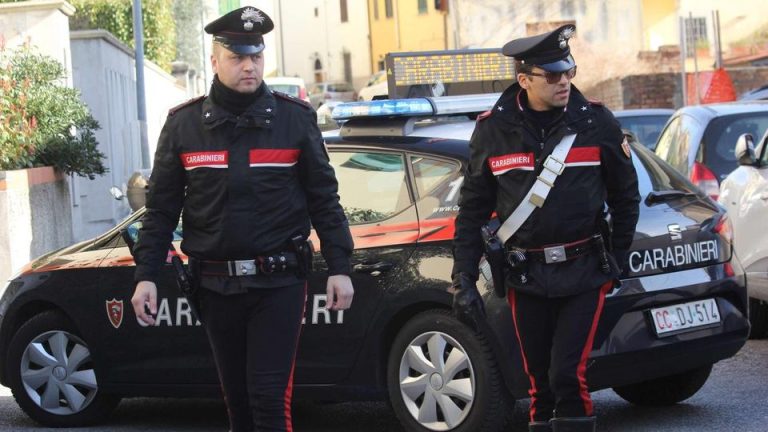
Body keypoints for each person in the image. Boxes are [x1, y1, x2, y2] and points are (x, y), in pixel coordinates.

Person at [130, 6, 354, 432]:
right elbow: (161, 210)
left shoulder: (295, 120)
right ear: (215, 62)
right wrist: (146, 276)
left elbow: (325, 199)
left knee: (269, 401)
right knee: (237, 405)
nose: (249, 65)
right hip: (214, 287)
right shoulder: (184, 126)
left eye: (255, 55)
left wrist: (340, 267)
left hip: (279, 284)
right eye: (237, 57)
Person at [451, 24, 640, 432]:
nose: (564, 82)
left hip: (584, 270)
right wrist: (463, 276)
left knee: (568, 376)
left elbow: (627, 197)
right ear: (524, 80)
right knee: (538, 382)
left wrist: (616, 261)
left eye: (568, 71)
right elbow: (472, 211)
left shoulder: (596, 122)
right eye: (552, 75)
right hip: (526, 273)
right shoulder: (493, 131)